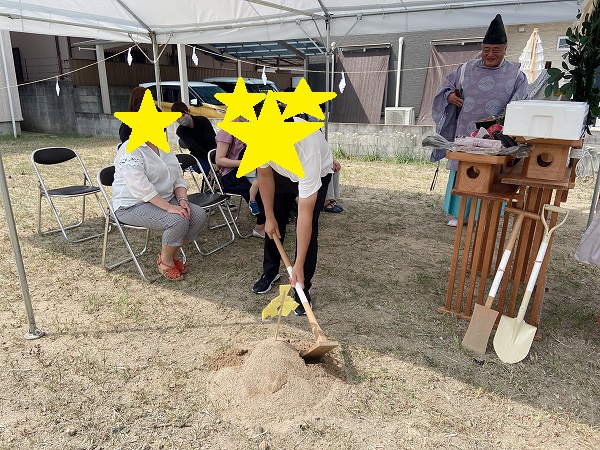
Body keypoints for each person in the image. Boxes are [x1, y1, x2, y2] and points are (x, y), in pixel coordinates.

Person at [432, 14, 528, 226]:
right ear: (482, 48)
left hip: (496, 133)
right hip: (465, 131)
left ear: (504, 49)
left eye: (496, 49)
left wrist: (500, 119)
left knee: (491, 172)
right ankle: (460, 214)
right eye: (486, 49)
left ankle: (486, 215)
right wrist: (449, 95)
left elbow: (520, 103)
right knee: (465, 170)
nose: (490, 54)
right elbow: (445, 86)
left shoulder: (516, 74)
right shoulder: (466, 69)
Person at [252, 104, 333, 316]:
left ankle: (302, 286)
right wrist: (268, 216)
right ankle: (270, 273)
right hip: (281, 174)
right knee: (275, 221)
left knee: (308, 227)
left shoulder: (308, 149)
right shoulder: (261, 138)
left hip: (317, 173)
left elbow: (304, 215)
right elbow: (265, 176)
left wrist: (297, 264)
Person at [112, 139, 207, 280]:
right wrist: (169, 207)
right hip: (131, 204)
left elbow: (177, 176)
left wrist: (182, 199)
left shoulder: (162, 145)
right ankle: (166, 260)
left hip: (165, 198)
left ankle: (171, 253)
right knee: (177, 220)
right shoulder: (130, 148)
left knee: (198, 215)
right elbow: (140, 186)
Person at [215, 124, 266, 238]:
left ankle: (267, 219)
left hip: (247, 171)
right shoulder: (227, 132)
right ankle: (260, 226)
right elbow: (219, 160)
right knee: (259, 191)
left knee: (267, 184)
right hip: (230, 175)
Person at [171, 101, 216, 175]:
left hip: (213, 153)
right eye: (177, 118)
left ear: (188, 111)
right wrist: (211, 162)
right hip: (198, 156)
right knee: (210, 169)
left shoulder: (203, 121)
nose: (180, 119)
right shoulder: (180, 131)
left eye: (182, 115)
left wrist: (215, 160)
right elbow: (196, 147)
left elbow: (212, 141)